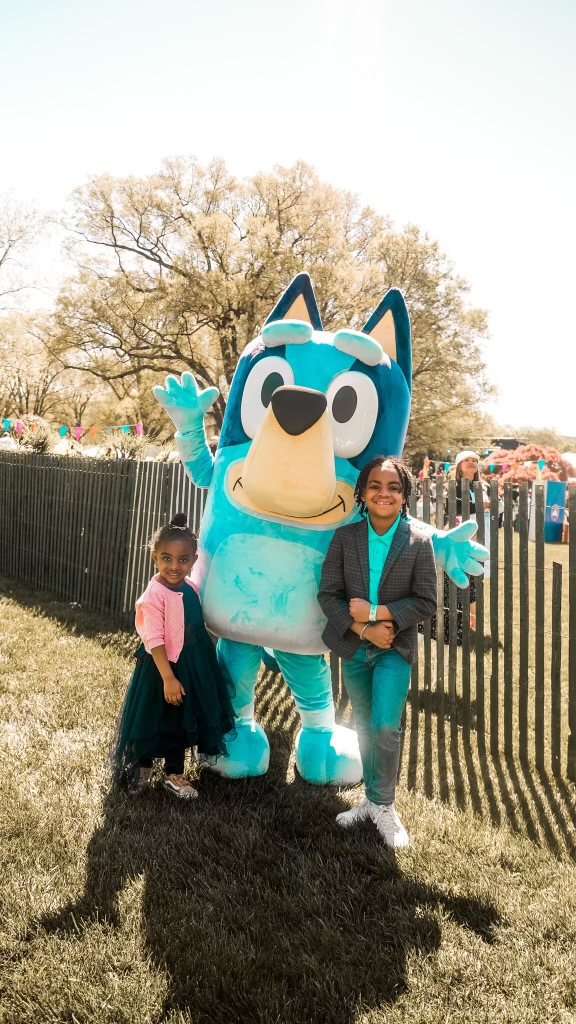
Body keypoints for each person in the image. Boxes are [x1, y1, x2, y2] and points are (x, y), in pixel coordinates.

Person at [318, 456, 437, 848]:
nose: (383, 494)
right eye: (375, 486)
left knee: (386, 725)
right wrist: (362, 628)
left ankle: (385, 806)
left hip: (393, 648)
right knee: (364, 725)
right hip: (355, 647)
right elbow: (328, 595)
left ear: (404, 495)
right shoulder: (345, 538)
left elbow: (426, 601)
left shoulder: (419, 543)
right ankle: (369, 801)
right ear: (362, 492)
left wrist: (376, 614)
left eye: (393, 487)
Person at [112, 513, 236, 799]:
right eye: (166, 558)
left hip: (193, 663)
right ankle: (141, 767)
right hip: (161, 669)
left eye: (183, 560)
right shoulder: (154, 595)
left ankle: (174, 773)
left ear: (193, 560)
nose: (174, 566)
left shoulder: (191, 587)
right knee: (154, 717)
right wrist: (167, 677)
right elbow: (153, 639)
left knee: (183, 717)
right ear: (155, 556)